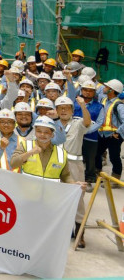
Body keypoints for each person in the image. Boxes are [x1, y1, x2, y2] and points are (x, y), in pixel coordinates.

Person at [54, 95, 92, 247]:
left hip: (74, 165)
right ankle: (58, 230)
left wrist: (83, 106)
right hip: (55, 164)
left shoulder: (77, 123)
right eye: (60, 108)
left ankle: (80, 233)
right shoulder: (52, 123)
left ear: (72, 110)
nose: (63, 111)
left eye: (67, 108)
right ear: (56, 110)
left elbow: (87, 122)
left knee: (77, 197)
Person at [97, 79, 124, 187]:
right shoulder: (104, 100)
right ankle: (98, 175)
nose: (104, 88)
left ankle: (115, 179)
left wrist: (117, 132)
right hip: (102, 134)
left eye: (107, 87)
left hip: (114, 136)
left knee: (114, 157)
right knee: (96, 154)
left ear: (112, 90)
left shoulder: (119, 105)